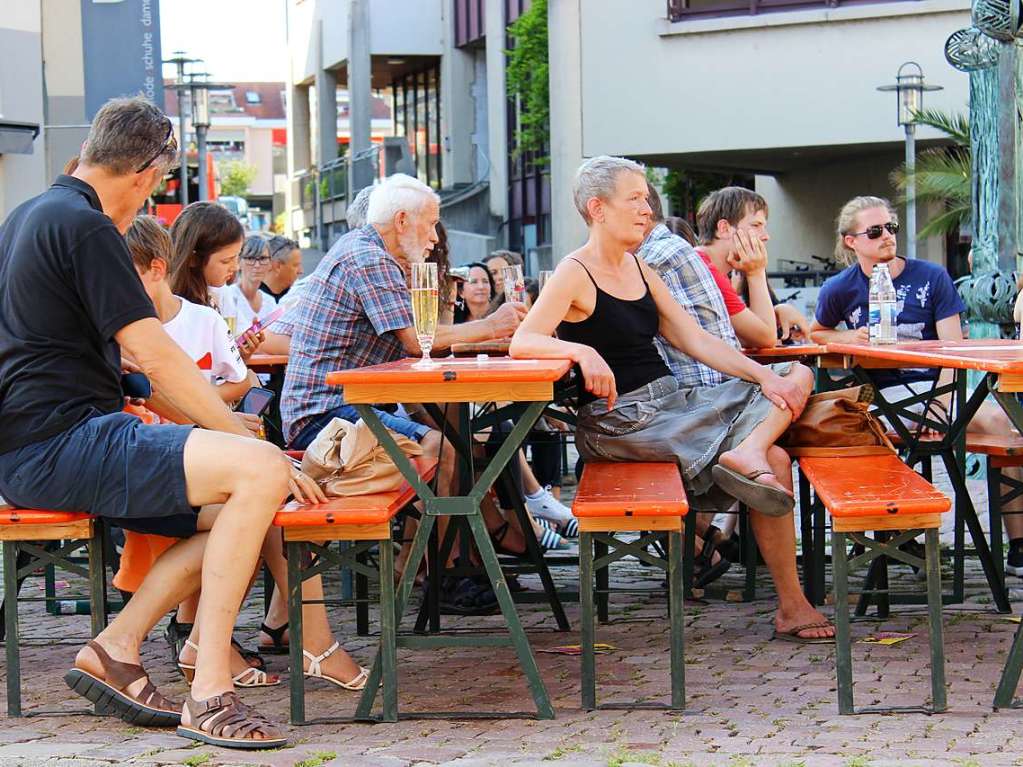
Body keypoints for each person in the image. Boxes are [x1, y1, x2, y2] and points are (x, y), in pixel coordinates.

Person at [0, 96, 323, 748]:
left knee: (246, 506)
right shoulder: (88, 227)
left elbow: (125, 365)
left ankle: (116, 647)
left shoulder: (24, 217)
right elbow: (151, 351)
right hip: (64, 441)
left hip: (37, 444)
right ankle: (208, 693)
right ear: (148, 173)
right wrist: (243, 439)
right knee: (260, 470)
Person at [511, 155, 834, 642]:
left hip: (673, 404)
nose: (647, 208)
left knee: (794, 374)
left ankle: (751, 464)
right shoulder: (575, 271)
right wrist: (579, 349)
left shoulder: (640, 267)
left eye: (646, 197)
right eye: (635, 198)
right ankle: (791, 601)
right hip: (621, 422)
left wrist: (763, 378)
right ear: (597, 208)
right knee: (778, 457)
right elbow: (524, 339)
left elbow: (697, 340)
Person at [168, 202, 264, 362]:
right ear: (193, 259)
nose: (235, 267)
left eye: (237, 257)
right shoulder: (167, 302)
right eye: (226, 261)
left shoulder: (221, 293)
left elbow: (227, 365)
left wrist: (241, 354)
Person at [228, 235, 279, 331]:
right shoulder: (228, 297)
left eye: (263, 258)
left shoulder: (270, 302)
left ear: (270, 263)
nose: (257, 265)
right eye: (250, 258)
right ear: (238, 261)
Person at [260, 235, 303, 302]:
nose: (301, 271)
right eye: (296, 265)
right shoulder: (251, 302)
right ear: (277, 266)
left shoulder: (296, 294)